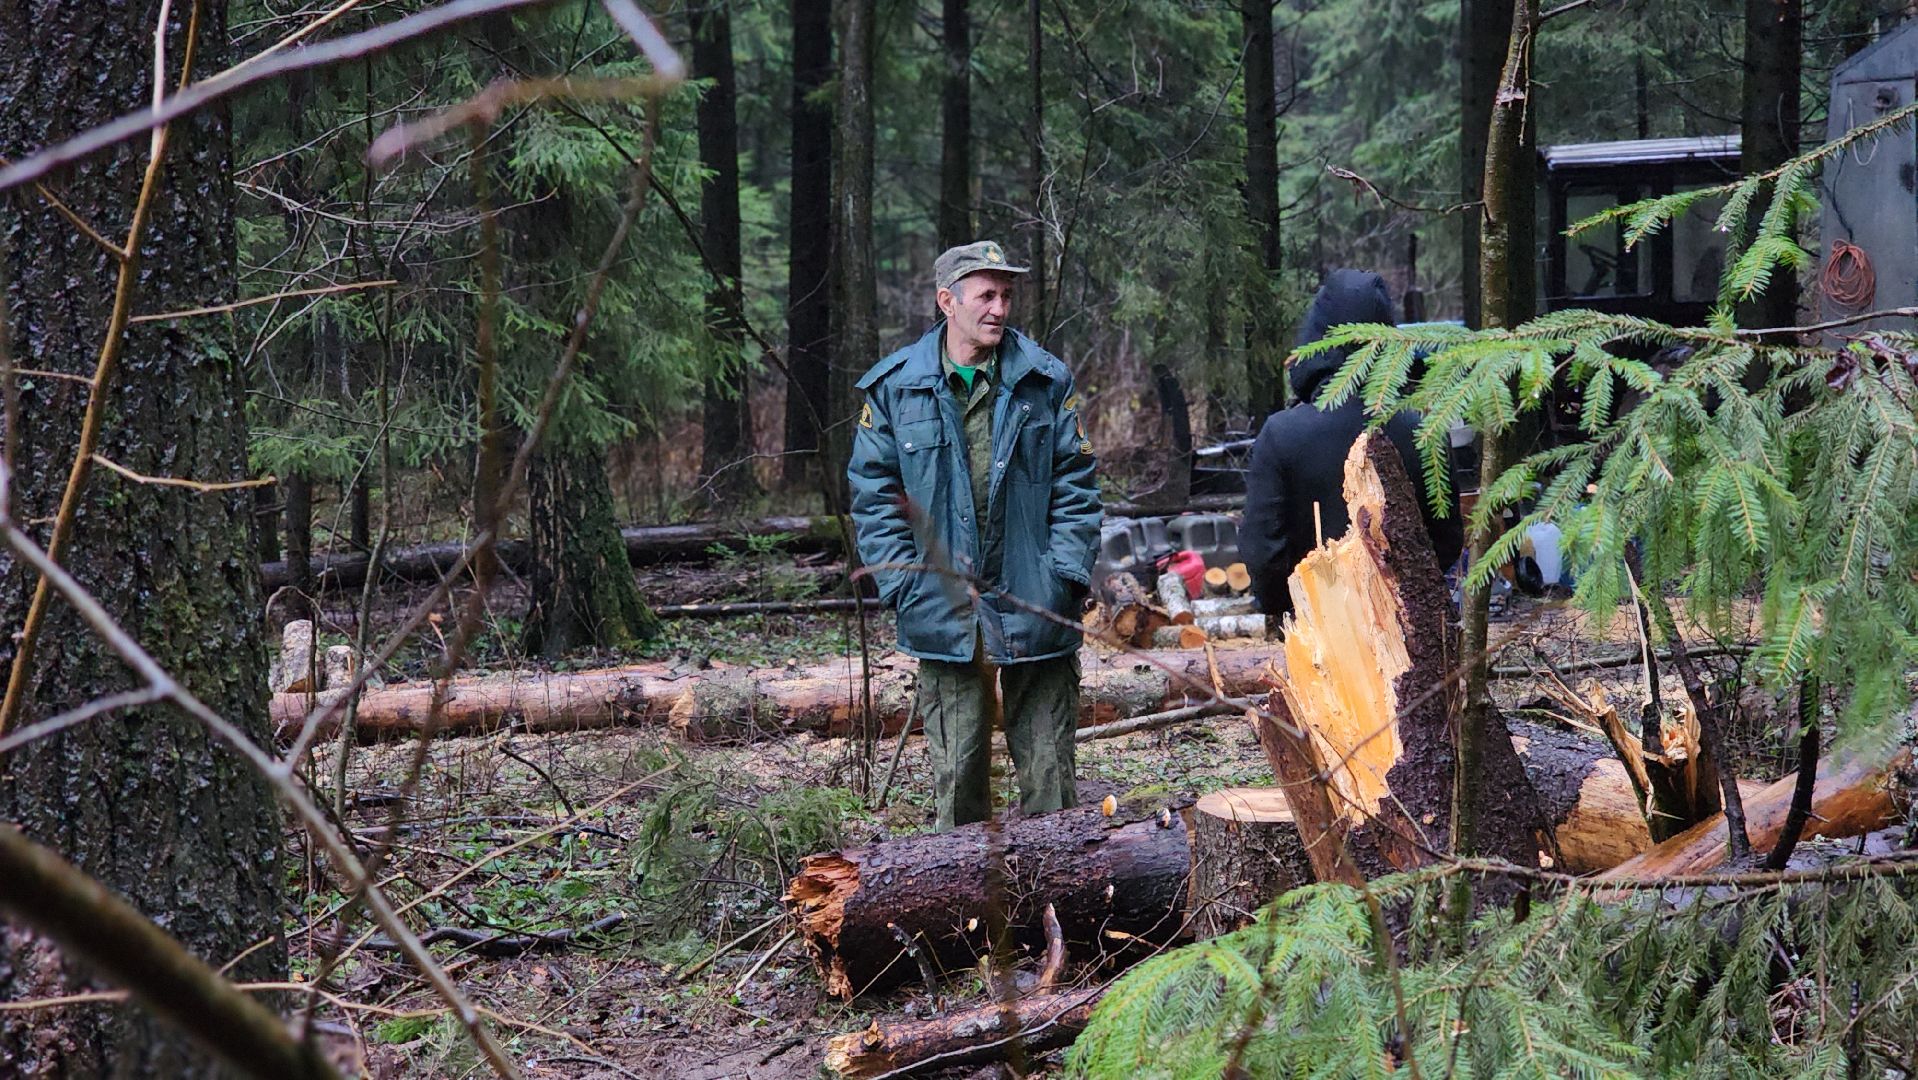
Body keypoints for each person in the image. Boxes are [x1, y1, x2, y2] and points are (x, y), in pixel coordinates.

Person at [848, 241, 1102, 831]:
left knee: (1050, 777)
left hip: (1036, 595)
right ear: (947, 302)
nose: (999, 308)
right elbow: (874, 494)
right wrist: (902, 585)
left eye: (1006, 295)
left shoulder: (1044, 381)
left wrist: (1065, 573)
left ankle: (1062, 897)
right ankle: (963, 913)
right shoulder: (896, 388)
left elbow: (1077, 485)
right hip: (939, 600)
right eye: (986, 295)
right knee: (958, 777)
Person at [1240, 269, 1464, 619]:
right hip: (1409, 629)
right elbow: (1446, 538)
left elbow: (1263, 552)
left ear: (1318, 334)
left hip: (1317, 631)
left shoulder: (1282, 433)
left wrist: (1284, 610)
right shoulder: (1422, 429)